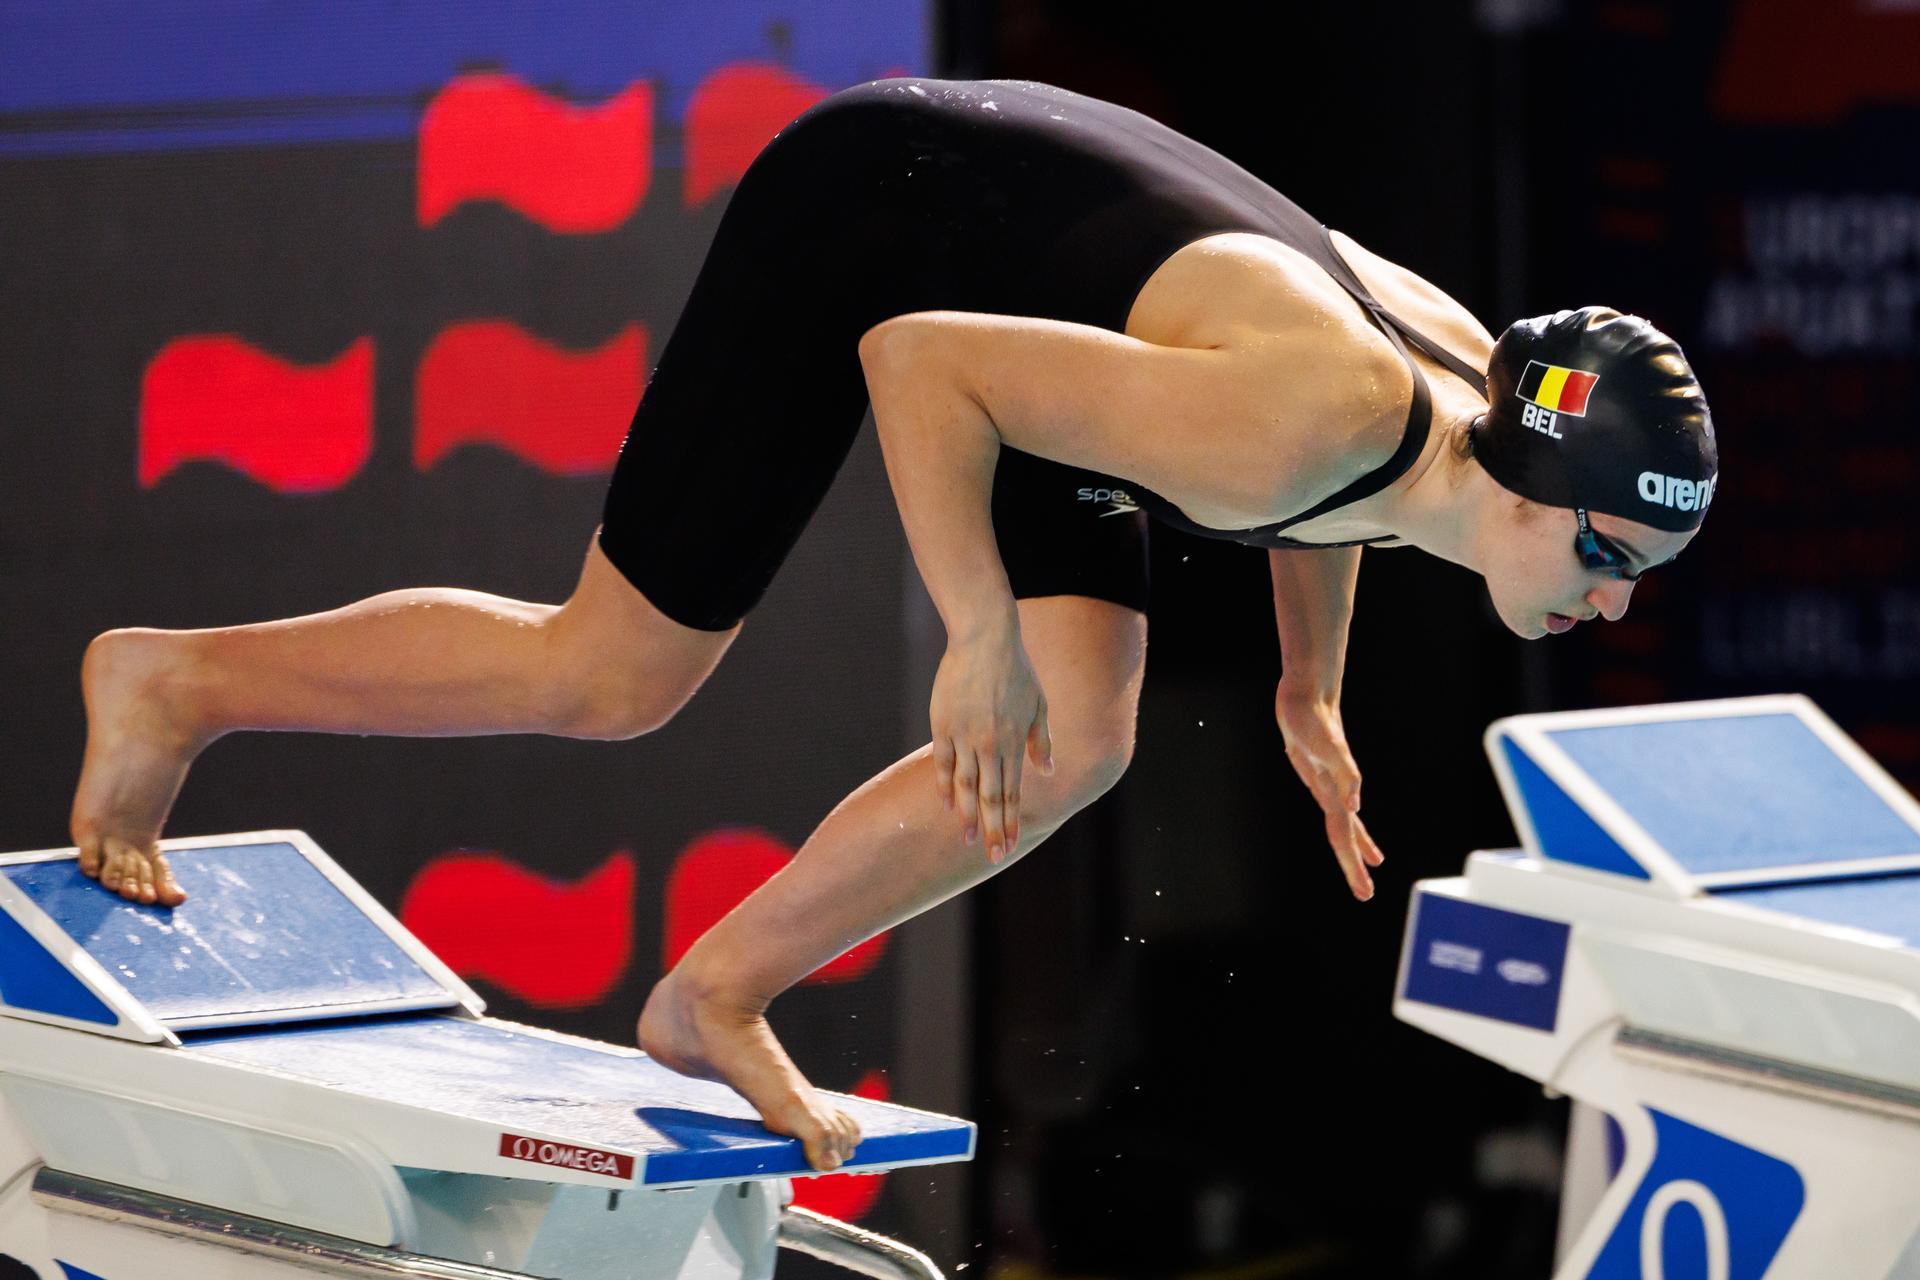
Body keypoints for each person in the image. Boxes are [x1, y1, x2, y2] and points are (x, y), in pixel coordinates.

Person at [67, 77, 1716, 1173]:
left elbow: (1345, 498)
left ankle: (711, 995)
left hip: (1037, 278)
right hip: (881, 213)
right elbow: (927, 362)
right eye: (1611, 550)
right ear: (1536, 480)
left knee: (1080, 741)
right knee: (613, 674)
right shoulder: (1315, 414)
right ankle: (175, 683)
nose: (1616, 596)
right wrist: (975, 626)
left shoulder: (1455, 412)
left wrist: (1308, 690)